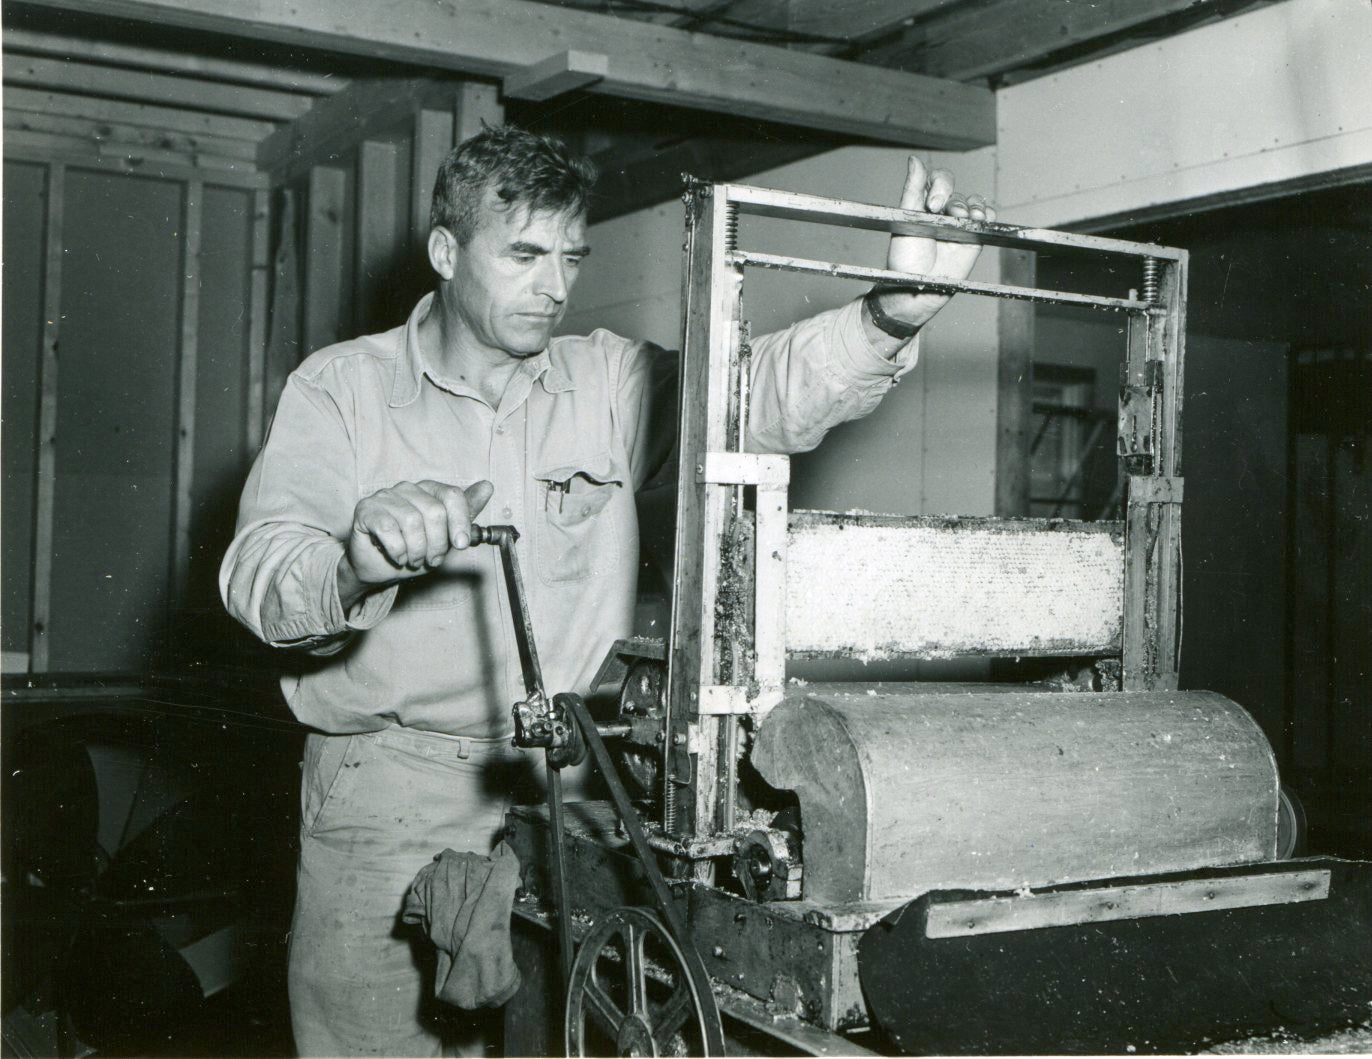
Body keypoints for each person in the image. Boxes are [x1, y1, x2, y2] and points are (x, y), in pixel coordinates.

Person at [220, 123, 994, 1057]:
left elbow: (751, 396)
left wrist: (888, 316)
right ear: (445, 251)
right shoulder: (342, 390)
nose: (555, 285)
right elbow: (259, 570)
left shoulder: (607, 379)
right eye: (524, 255)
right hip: (389, 792)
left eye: (571, 257)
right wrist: (355, 564)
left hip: (571, 789)